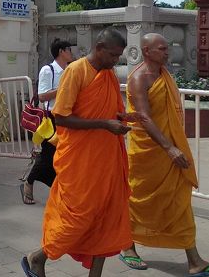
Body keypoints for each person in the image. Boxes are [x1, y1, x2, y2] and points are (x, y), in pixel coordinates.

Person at [22, 27, 136, 277]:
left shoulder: (109, 73)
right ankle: (38, 257)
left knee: (105, 219)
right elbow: (61, 117)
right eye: (114, 55)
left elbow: (111, 110)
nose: (117, 60)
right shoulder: (76, 71)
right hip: (80, 161)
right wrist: (104, 124)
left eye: (120, 56)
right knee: (78, 219)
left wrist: (124, 117)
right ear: (99, 49)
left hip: (106, 159)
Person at [120, 33, 209, 276]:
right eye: (161, 49)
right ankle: (128, 247)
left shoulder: (164, 75)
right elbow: (145, 117)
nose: (167, 53)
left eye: (167, 48)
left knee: (180, 200)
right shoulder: (139, 78)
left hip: (169, 150)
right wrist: (169, 148)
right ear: (147, 51)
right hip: (148, 152)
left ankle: (194, 260)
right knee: (137, 201)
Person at [20, 38, 73, 204]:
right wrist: (63, 89)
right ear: (61, 52)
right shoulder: (48, 70)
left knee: (63, 156)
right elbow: (42, 96)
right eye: (69, 50)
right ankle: (28, 182)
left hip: (67, 118)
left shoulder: (70, 70)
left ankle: (59, 191)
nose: (71, 53)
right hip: (51, 118)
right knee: (47, 156)